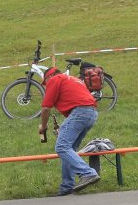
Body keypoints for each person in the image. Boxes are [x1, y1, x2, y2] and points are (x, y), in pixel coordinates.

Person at [37, 66, 101, 195]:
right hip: (91, 113)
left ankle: (88, 173)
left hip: (80, 112)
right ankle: (67, 187)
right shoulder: (72, 79)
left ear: (49, 76)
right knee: (69, 149)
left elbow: (46, 108)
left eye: (45, 83)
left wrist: (43, 126)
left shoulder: (54, 79)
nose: (46, 86)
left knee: (62, 147)